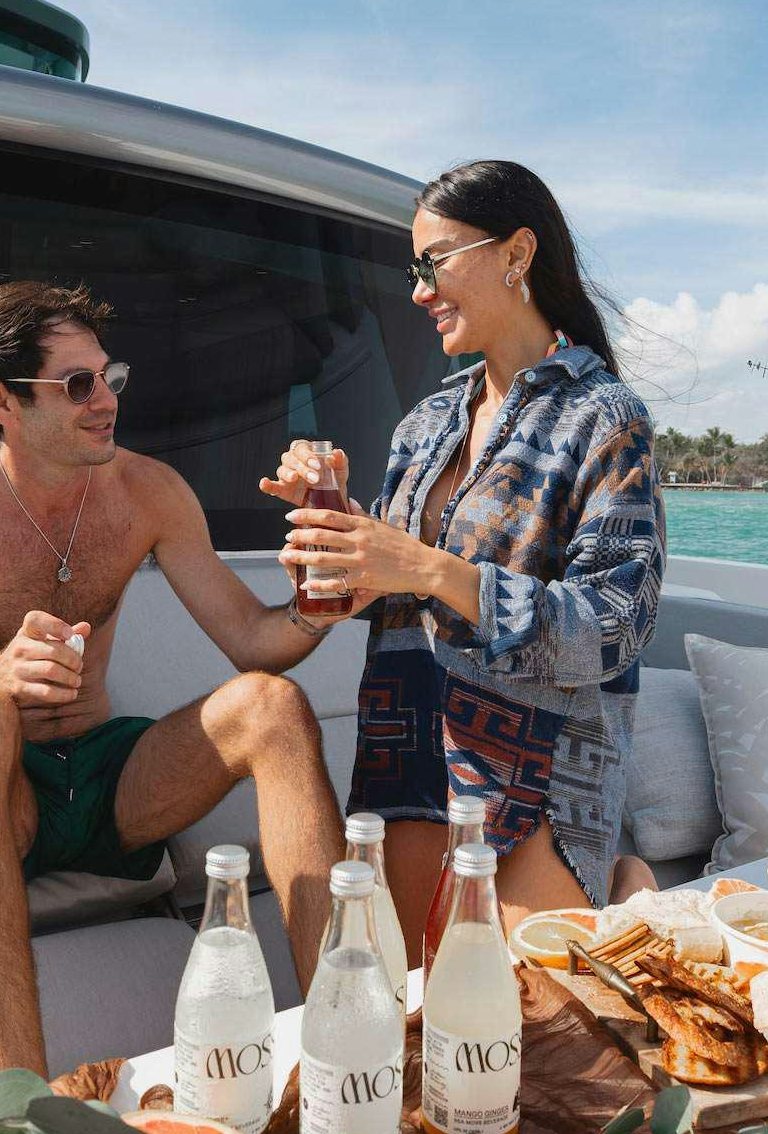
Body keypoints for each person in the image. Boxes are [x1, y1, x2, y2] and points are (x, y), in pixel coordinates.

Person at [0, 280, 350, 1079]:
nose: (106, 401)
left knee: (271, 706)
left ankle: (347, 1061)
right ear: (1, 399)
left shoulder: (149, 491)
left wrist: (316, 603)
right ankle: (21, 1118)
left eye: (109, 375)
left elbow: (251, 640)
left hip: (107, 778)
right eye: (76, 384)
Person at [260, 160, 664, 959]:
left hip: (538, 774)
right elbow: (386, 592)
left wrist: (425, 566)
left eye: (435, 261)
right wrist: (334, 535)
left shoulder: (605, 417)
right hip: (406, 757)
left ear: (517, 254)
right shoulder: (424, 423)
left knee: (531, 1054)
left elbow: (615, 626)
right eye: (416, 268)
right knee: (411, 1038)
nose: (418, 289)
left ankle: (626, 881)